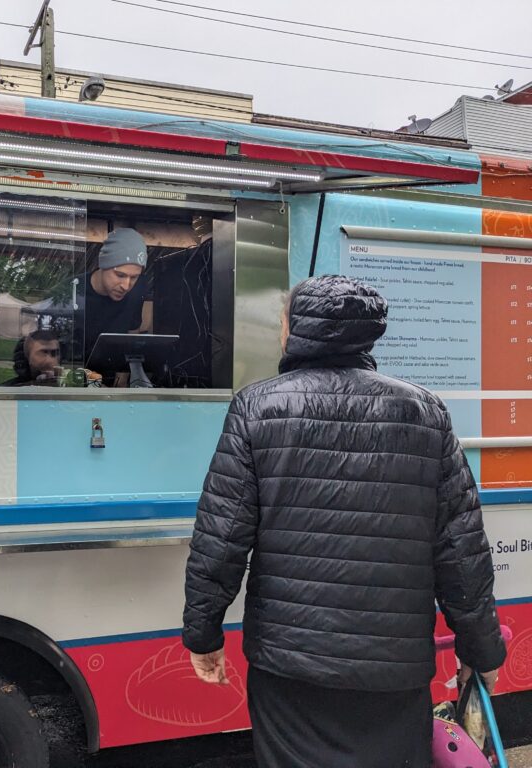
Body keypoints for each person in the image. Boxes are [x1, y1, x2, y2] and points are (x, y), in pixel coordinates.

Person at [182, 275, 506, 768]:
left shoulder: (257, 407)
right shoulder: (425, 413)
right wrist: (479, 650)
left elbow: (220, 539)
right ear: (367, 334)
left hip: (289, 663)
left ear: (292, 328)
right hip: (392, 668)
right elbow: (462, 551)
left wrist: (203, 635)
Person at [75, 228, 150, 386]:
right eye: (120, 275)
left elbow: (131, 336)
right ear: (103, 265)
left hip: (112, 382)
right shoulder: (73, 291)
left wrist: (121, 381)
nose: (126, 285)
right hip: (75, 380)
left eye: (134, 277)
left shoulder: (138, 290)